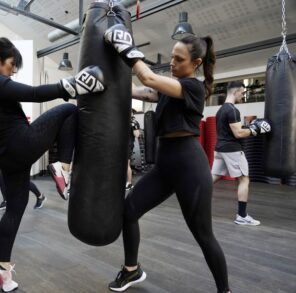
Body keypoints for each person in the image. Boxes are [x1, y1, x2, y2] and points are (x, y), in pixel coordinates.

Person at [104, 24, 231, 292]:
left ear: (196, 63)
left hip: (189, 167)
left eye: (179, 59)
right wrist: (107, 81)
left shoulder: (193, 87)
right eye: (172, 57)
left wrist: (127, 49)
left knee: (203, 235)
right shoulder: (171, 87)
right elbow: (143, 91)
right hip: (164, 167)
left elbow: (149, 79)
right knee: (128, 211)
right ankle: (132, 270)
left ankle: (225, 290)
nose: (172, 63)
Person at [0, 37, 104, 292]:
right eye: (11, 65)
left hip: (7, 160)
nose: (12, 71)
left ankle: (2, 268)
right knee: (68, 111)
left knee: (15, 210)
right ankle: (63, 167)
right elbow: (32, 93)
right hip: (19, 145)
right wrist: (72, 85)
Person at [211, 81, 271, 226]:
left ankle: (193, 198)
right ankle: (242, 216)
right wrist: (256, 130)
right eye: (242, 93)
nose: (243, 96)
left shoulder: (220, 110)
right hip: (232, 150)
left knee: (213, 176)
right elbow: (238, 133)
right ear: (235, 92)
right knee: (244, 179)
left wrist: (250, 127)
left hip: (220, 149)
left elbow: (231, 129)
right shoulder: (232, 110)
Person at [126, 109, 140, 190]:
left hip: (128, 145)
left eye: (130, 112)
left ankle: (129, 183)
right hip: (119, 145)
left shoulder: (134, 122)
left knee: (126, 164)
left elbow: (137, 135)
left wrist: (134, 125)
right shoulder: (122, 121)